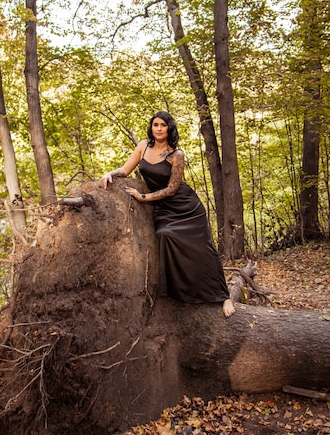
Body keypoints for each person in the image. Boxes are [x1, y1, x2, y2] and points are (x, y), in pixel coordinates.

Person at [100, 111, 235, 318]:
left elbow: (172, 189)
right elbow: (125, 170)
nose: (159, 128)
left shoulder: (176, 155)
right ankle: (179, 293)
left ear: (169, 128)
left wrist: (143, 197)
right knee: (165, 235)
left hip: (186, 207)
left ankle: (223, 296)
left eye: (163, 125)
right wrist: (110, 173)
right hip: (164, 209)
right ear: (151, 128)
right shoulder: (143, 147)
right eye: (156, 125)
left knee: (203, 249)